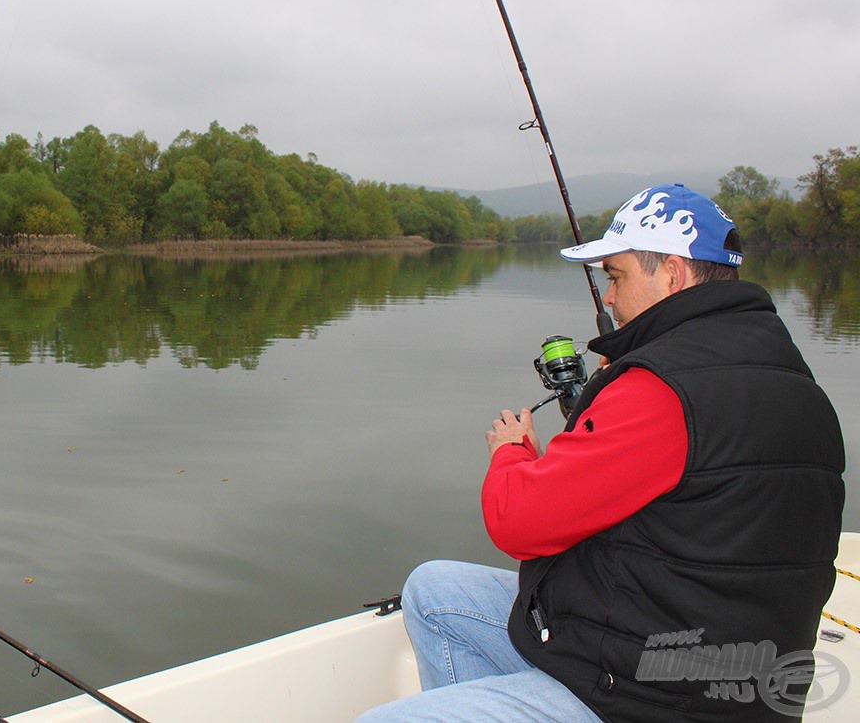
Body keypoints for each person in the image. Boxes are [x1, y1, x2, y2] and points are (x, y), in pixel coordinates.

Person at [358, 184, 845, 722]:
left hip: (655, 699)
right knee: (436, 592)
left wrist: (513, 454)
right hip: (728, 675)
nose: (609, 298)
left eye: (616, 276)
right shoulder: (790, 375)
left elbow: (518, 523)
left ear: (673, 276)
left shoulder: (661, 391)